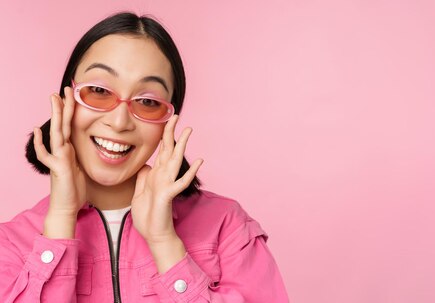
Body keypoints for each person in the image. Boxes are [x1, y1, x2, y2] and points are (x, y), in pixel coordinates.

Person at [0, 12, 289, 302]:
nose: (120, 121)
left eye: (148, 102)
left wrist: (165, 244)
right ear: (65, 101)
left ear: (169, 120)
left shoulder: (227, 228)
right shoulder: (10, 244)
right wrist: (61, 221)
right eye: (99, 91)